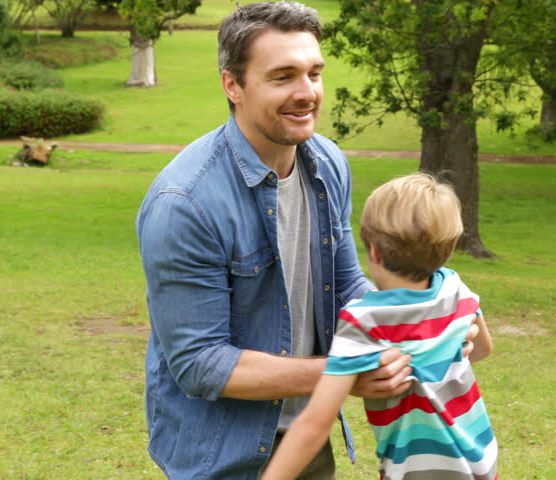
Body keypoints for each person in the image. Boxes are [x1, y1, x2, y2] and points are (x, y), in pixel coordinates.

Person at [135, 3, 435, 478]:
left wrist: (420, 322)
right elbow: (201, 363)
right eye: (283, 77)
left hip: (305, 432)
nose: (307, 93)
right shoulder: (185, 204)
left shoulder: (327, 163)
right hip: (221, 454)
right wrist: (343, 374)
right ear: (232, 85)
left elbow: (345, 284)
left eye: (314, 73)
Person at [261, 173, 498, 480]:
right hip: (480, 463)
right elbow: (481, 349)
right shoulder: (454, 287)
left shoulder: (365, 320)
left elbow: (315, 424)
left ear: (373, 251)